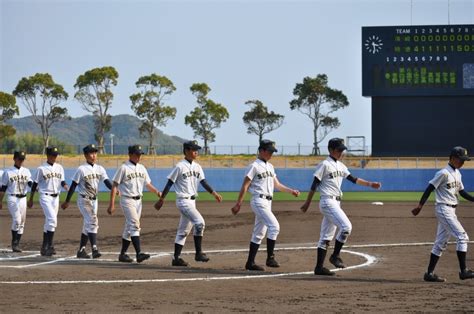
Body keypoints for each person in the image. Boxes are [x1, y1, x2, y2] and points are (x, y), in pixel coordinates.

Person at [300, 138, 381, 276]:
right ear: (331, 150)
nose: (341, 152)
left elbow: (353, 179)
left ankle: (319, 267)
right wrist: (307, 203)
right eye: (339, 150)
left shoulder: (341, 166)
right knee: (346, 227)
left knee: (326, 236)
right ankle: (335, 256)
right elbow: (314, 185)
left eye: (342, 150)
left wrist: (370, 184)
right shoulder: (324, 164)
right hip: (327, 201)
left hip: (336, 202)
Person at [231, 139, 300, 271]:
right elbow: (245, 186)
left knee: (259, 233)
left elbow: (277, 185)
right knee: (274, 226)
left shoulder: (270, 167)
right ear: (261, 150)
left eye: (272, 152)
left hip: (268, 202)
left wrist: (291, 191)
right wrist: (238, 203)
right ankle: (270, 258)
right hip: (258, 200)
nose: (271, 154)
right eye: (269, 151)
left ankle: (250, 263)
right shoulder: (254, 166)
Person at [154, 140, 223, 267]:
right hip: (183, 201)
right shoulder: (180, 166)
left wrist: (214, 193)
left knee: (183, 231)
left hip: (192, 201)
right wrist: (161, 199)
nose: (196, 151)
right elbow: (170, 182)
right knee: (200, 223)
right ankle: (198, 253)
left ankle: (176, 258)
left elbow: (203, 182)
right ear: (186, 151)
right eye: (194, 149)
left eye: (197, 149)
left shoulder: (197, 167)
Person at [412, 146, 474, 282]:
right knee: (463, 237)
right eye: (461, 159)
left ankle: (429, 273)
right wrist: (420, 206)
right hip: (444, 209)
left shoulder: (458, 173)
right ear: (452, 158)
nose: (463, 162)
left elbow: (462, 192)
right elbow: (429, 188)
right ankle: (463, 271)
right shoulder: (443, 173)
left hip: (451, 210)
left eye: (464, 160)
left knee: (440, 243)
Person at [107, 145, 161, 264]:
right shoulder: (124, 168)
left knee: (129, 228)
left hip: (138, 201)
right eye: (137, 154)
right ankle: (139, 253)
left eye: (140, 154)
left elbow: (147, 184)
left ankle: (122, 254)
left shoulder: (142, 168)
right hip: (127, 200)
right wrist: (112, 204)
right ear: (130, 154)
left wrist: (156, 191)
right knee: (135, 224)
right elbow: (114, 186)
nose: (139, 156)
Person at [61, 144, 113, 259]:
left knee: (87, 225)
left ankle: (81, 250)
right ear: (85, 155)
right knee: (93, 221)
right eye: (91, 153)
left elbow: (106, 181)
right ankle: (94, 249)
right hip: (84, 200)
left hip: (95, 200)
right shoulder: (81, 169)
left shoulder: (100, 168)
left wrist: (114, 189)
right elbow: (74, 185)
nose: (94, 155)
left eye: (95, 152)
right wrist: (67, 201)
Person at [28, 146, 69, 256]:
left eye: (56, 155)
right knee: (52, 220)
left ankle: (46, 246)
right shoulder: (41, 169)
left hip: (56, 197)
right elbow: (34, 184)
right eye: (53, 155)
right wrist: (31, 198)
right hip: (45, 196)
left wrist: (65, 186)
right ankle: (47, 245)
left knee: (50, 222)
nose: (55, 157)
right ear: (48, 155)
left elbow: (62, 181)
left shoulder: (60, 167)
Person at [0, 151, 33, 252]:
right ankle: (14, 243)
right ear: (14, 159)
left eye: (22, 159)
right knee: (17, 220)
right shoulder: (8, 172)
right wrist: (0, 201)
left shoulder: (26, 171)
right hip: (12, 198)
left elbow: (30, 182)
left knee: (22, 222)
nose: (21, 161)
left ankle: (17, 243)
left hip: (23, 198)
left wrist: (35, 188)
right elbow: (3, 188)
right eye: (19, 159)